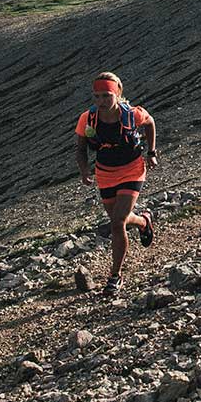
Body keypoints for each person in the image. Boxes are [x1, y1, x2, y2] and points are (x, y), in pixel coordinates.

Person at [73, 72, 157, 298]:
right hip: (105, 173)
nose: (101, 101)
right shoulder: (87, 119)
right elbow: (80, 148)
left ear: (117, 93)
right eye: (97, 96)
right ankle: (143, 221)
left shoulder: (132, 114)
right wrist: (84, 170)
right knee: (118, 218)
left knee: (117, 221)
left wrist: (151, 152)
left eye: (106, 95)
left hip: (132, 169)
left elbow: (150, 123)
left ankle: (115, 276)